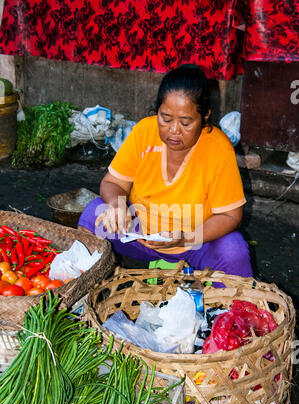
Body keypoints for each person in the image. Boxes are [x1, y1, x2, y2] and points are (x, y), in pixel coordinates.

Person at [78, 64, 253, 278]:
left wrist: (186, 238)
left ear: (205, 116)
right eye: (166, 118)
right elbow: (113, 182)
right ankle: (84, 289)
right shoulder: (144, 132)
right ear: (157, 111)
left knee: (233, 250)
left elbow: (230, 215)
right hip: (140, 233)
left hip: (196, 240)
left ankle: (230, 308)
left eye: (186, 122)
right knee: (92, 215)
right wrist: (117, 206)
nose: (174, 130)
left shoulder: (218, 148)